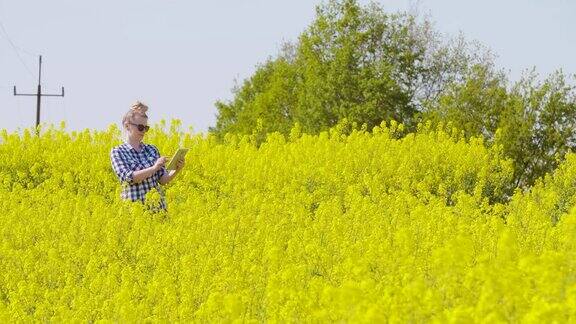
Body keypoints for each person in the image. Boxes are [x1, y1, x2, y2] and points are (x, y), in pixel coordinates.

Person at [110, 101, 184, 211]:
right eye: (140, 127)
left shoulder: (151, 149)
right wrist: (154, 168)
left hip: (158, 211)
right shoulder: (118, 152)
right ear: (127, 126)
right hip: (134, 213)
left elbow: (162, 180)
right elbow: (128, 178)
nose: (143, 131)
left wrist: (177, 169)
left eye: (146, 128)